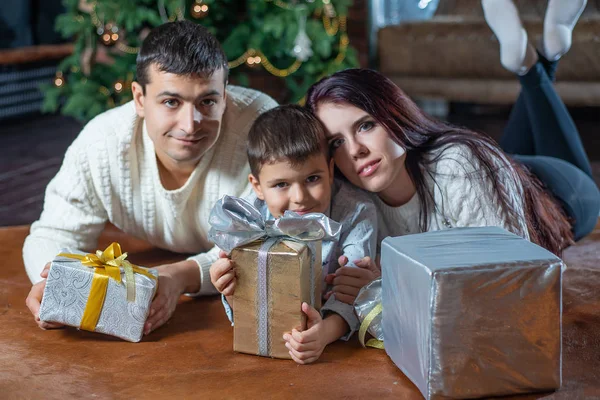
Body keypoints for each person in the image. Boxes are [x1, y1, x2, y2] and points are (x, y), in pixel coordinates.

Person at [23, 20, 277, 334]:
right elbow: (53, 232)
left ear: (225, 97)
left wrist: (179, 276)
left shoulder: (263, 127)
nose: (190, 124)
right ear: (140, 99)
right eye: (171, 102)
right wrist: (52, 284)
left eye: (207, 102)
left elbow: (267, 240)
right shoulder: (101, 143)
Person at [305, 0, 599, 264]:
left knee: (478, 162)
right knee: (490, 162)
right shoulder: (350, 200)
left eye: (365, 125)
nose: (355, 150)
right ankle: (540, 60)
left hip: (561, 190)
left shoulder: (457, 164)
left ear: (394, 113)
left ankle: (540, 61)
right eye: (337, 142)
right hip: (500, 170)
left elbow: (508, 271)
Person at [209, 105, 378, 364]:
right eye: (281, 185)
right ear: (257, 186)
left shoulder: (357, 212)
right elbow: (246, 290)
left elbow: (356, 292)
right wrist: (230, 289)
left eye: (312, 178)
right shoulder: (250, 215)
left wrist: (324, 333)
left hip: (336, 337)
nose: (299, 198)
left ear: (330, 171)